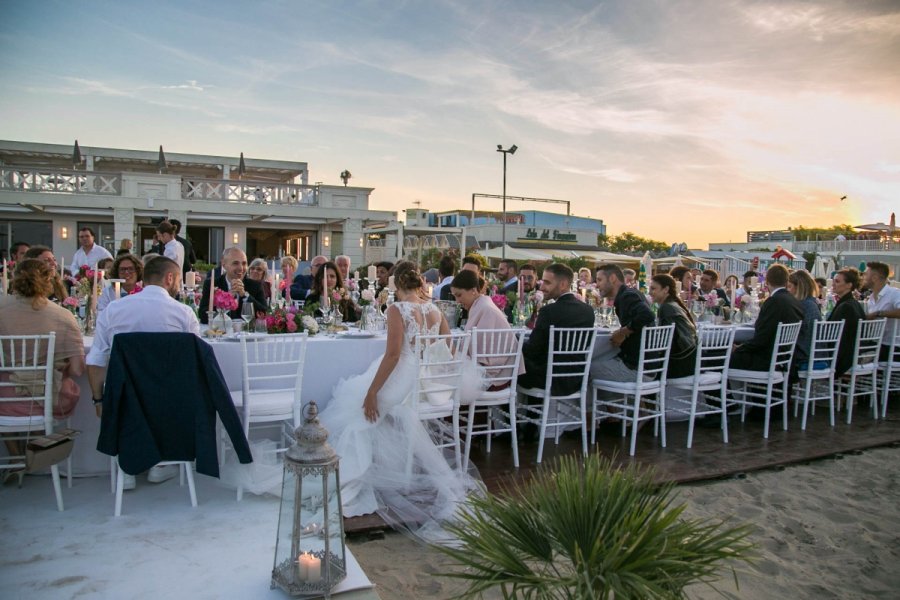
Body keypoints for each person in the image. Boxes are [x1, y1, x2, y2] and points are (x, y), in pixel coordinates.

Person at [316, 261, 481, 537]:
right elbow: (449, 351)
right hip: (423, 382)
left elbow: (393, 356)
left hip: (404, 379)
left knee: (357, 414)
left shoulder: (397, 309)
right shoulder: (435, 310)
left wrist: (373, 392)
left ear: (396, 285)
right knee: (358, 404)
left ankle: (355, 472)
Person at [86, 256, 200, 488]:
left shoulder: (113, 310)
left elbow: (96, 359)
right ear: (170, 278)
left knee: (124, 393)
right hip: (169, 400)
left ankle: (126, 466)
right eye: (177, 280)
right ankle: (159, 464)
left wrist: (99, 400)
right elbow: (195, 361)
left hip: (124, 397)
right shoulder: (183, 313)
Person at [0, 259, 85, 471]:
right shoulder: (62, 315)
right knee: (60, 386)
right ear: (50, 280)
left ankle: (15, 458)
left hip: (3, 399)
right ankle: (37, 456)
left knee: (8, 385)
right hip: (47, 400)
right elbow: (77, 369)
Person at [518, 263, 595, 394]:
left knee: (510, 368)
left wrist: (516, 343)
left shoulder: (549, 311)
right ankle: (532, 414)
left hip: (549, 379)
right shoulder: (587, 310)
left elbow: (533, 350)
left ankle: (510, 413)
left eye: (547, 283)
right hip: (577, 377)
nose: (541, 287)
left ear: (563, 284)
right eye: (542, 282)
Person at [450, 269, 524, 392]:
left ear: (473, 290)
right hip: (493, 371)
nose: (457, 301)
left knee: (444, 381)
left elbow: (478, 353)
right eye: (455, 296)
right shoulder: (480, 305)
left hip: (495, 378)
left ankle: (469, 411)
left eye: (459, 295)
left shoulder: (485, 309)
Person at [729, 264, 804, 371]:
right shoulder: (794, 301)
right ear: (787, 281)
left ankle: (723, 387)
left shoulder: (773, 301)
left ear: (767, 281)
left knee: (719, 358)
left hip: (767, 360)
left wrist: (739, 348)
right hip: (784, 359)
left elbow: (762, 338)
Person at [590, 264, 656, 383]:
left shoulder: (627, 296)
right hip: (647, 367)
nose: (597, 284)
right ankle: (632, 401)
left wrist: (622, 332)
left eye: (600, 280)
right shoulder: (632, 293)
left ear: (612, 278)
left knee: (583, 369)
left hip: (636, 369)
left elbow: (648, 315)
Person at [198, 248, 267, 325]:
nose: (241, 268)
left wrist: (245, 295)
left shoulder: (255, 285)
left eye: (244, 263)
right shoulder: (212, 284)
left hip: (247, 335)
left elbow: (264, 314)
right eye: (235, 263)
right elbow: (203, 316)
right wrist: (227, 298)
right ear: (224, 265)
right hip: (221, 333)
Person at [649, 274, 697, 378]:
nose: (649, 292)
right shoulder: (674, 304)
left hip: (678, 365)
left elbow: (664, 342)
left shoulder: (666, 307)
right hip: (690, 361)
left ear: (665, 289)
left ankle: (647, 392)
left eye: (653, 288)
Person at [827, 268, 866, 377]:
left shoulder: (846, 306)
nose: (833, 284)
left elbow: (833, 334)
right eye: (833, 280)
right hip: (853, 353)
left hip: (843, 358)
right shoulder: (854, 303)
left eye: (837, 281)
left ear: (849, 285)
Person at [863, 261, 900, 361]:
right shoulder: (871, 298)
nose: (863, 277)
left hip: (893, 348)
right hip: (878, 344)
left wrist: (878, 313)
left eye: (866, 274)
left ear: (874, 278)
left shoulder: (894, 293)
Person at [787, 270, 821, 367]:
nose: (787, 290)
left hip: (803, 356)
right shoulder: (813, 303)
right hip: (817, 355)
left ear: (799, 287)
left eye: (789, 287)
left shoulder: (801, 306)